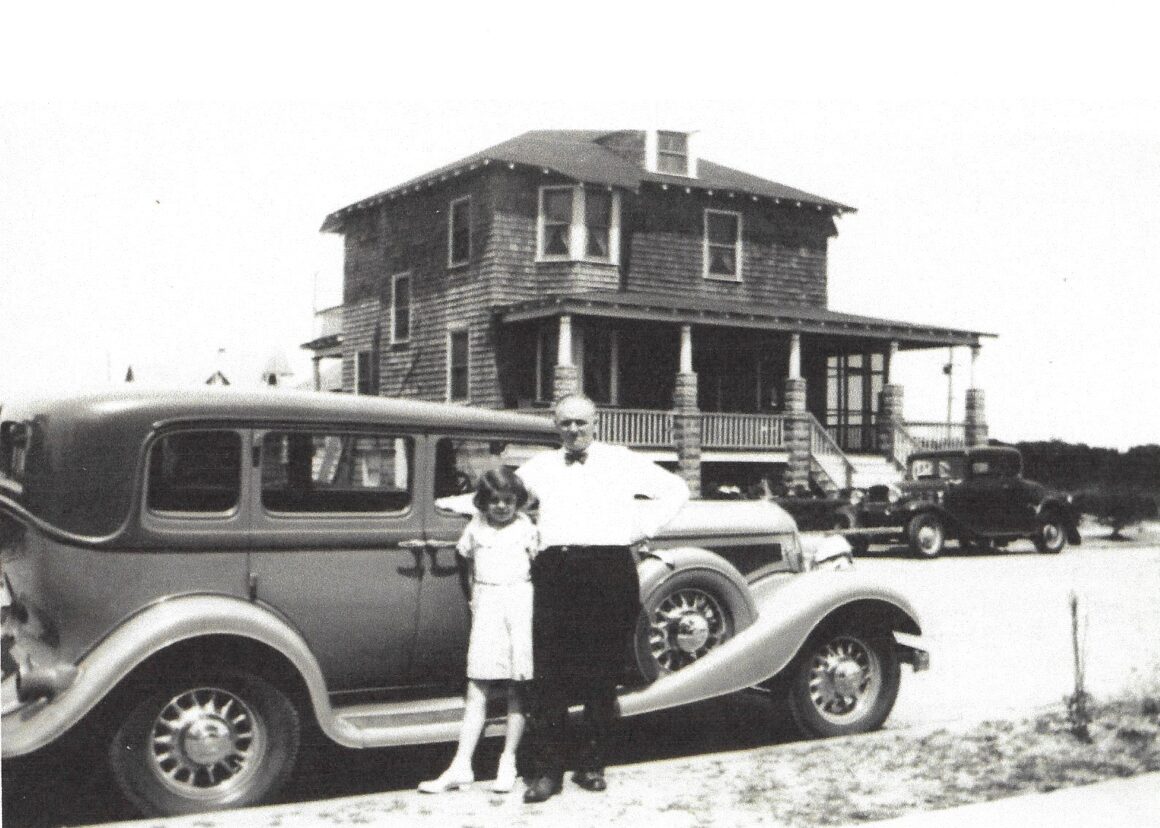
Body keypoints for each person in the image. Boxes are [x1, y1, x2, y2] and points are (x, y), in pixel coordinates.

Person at [515, 393, 690, 803]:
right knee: (550, 672)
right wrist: (452, 504)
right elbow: (498, 495)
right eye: (565, 424)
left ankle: (593, 764)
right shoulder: (540, 466)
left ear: (595, 423)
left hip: (608, 569)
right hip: (556, 569)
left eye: (581, 423)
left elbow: (676, 489)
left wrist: (640, 527)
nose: (574, 430)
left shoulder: (621, 460)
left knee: (600, 671)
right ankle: (547, 772)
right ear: (555, 425)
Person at [417, 468, 539, 794]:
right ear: (484, 501)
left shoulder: (527, 529)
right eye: (494, 500)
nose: (501, 506)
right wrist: (473, 599)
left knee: (517, 687)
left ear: (518, 502)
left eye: (508, 500)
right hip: (487, 604)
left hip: (519, 604)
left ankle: (508, 762)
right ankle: (460, 766)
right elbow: (464, 562)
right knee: (477, 688)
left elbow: (538, 572)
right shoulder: (476, 526)